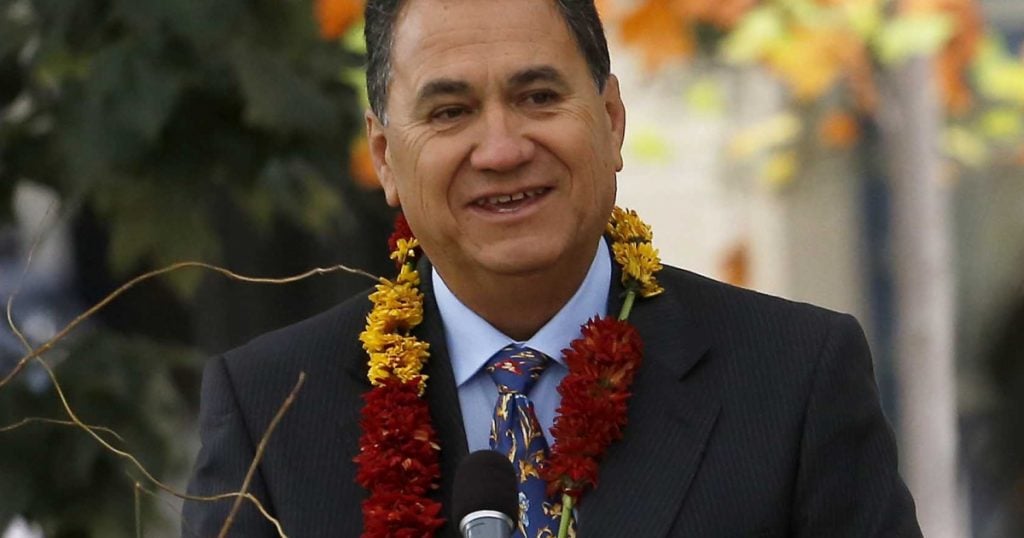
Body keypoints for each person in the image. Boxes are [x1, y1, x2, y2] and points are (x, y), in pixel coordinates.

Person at [182, 0, 922, 536]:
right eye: (450, 112)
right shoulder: (271, 412)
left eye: (538, 97)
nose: (502, 149)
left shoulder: (793, 378)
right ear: (384, 157)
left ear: (612, 120)